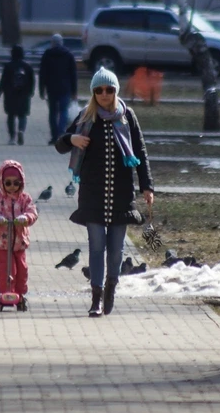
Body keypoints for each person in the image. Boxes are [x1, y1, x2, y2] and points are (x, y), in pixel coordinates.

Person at [55, 67, 153, 318]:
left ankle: (111, 287)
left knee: (117, 249)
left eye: (109, 89)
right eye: (99, 90)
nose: (105, 94)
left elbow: (140, 152)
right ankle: (96, 298)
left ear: (116, 91)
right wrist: (72, 139)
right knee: (96, 246)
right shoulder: (86, 117)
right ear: (93, 93)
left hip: (121, 196)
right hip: (93, 195)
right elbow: (60, 143)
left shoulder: (127, 116)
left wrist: (147, 186)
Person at [0, 160, 38, 307]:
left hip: (19, 241)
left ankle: (19, 294)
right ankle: (6, 293)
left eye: (16, 183)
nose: (12, 187)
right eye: (8, 183)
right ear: (2, 182)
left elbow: (32, 212)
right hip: (2, 241)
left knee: (22, 269)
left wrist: (25, 218)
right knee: (7, 268)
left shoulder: (25, 198)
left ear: (21, 182)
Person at [39, 33, 78, 144]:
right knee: (63, 111)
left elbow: (43, 73)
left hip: (51, 88)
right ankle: (61, 134)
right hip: (65, 88)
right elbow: (73, 74)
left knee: (52, 112)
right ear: (62, 42)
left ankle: (54, 136)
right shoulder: (68, 55)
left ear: (52, 43)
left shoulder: (47, 55)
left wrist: (42, 89)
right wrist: (74, 91)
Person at [0, 45, 35, 145]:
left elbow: (3, 81)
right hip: (24, 95)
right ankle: (21, 130)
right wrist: (30, 92)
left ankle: (12, 137)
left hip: (10, 94)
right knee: (22, 115)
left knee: (11, 116)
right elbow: (32, 81)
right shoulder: (27, 66)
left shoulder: (8, 66)